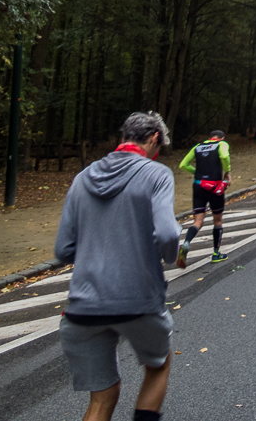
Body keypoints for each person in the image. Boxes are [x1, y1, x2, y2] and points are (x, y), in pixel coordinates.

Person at [55, 111, 179, 421]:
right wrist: (166, 256)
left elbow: (63, 249)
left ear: (122, 138)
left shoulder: (82, 178)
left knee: (103, 397)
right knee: (158, 364)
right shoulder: (157, 174)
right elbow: (167, 234)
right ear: (153, 140)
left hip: (84, 306)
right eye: (159, 146)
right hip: (139, 301)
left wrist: (95, 255)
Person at [177, 130, 231, 266]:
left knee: (198, 221)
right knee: (217, 220)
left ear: (209, 138)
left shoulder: (197, 146)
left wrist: (197, 172)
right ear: (221, 138)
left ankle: (186, 244)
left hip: (198, 185)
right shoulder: (221, 144)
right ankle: (216, 253)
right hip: (214, 186)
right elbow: (224, 156)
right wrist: (227, 171)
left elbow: (183, 164)